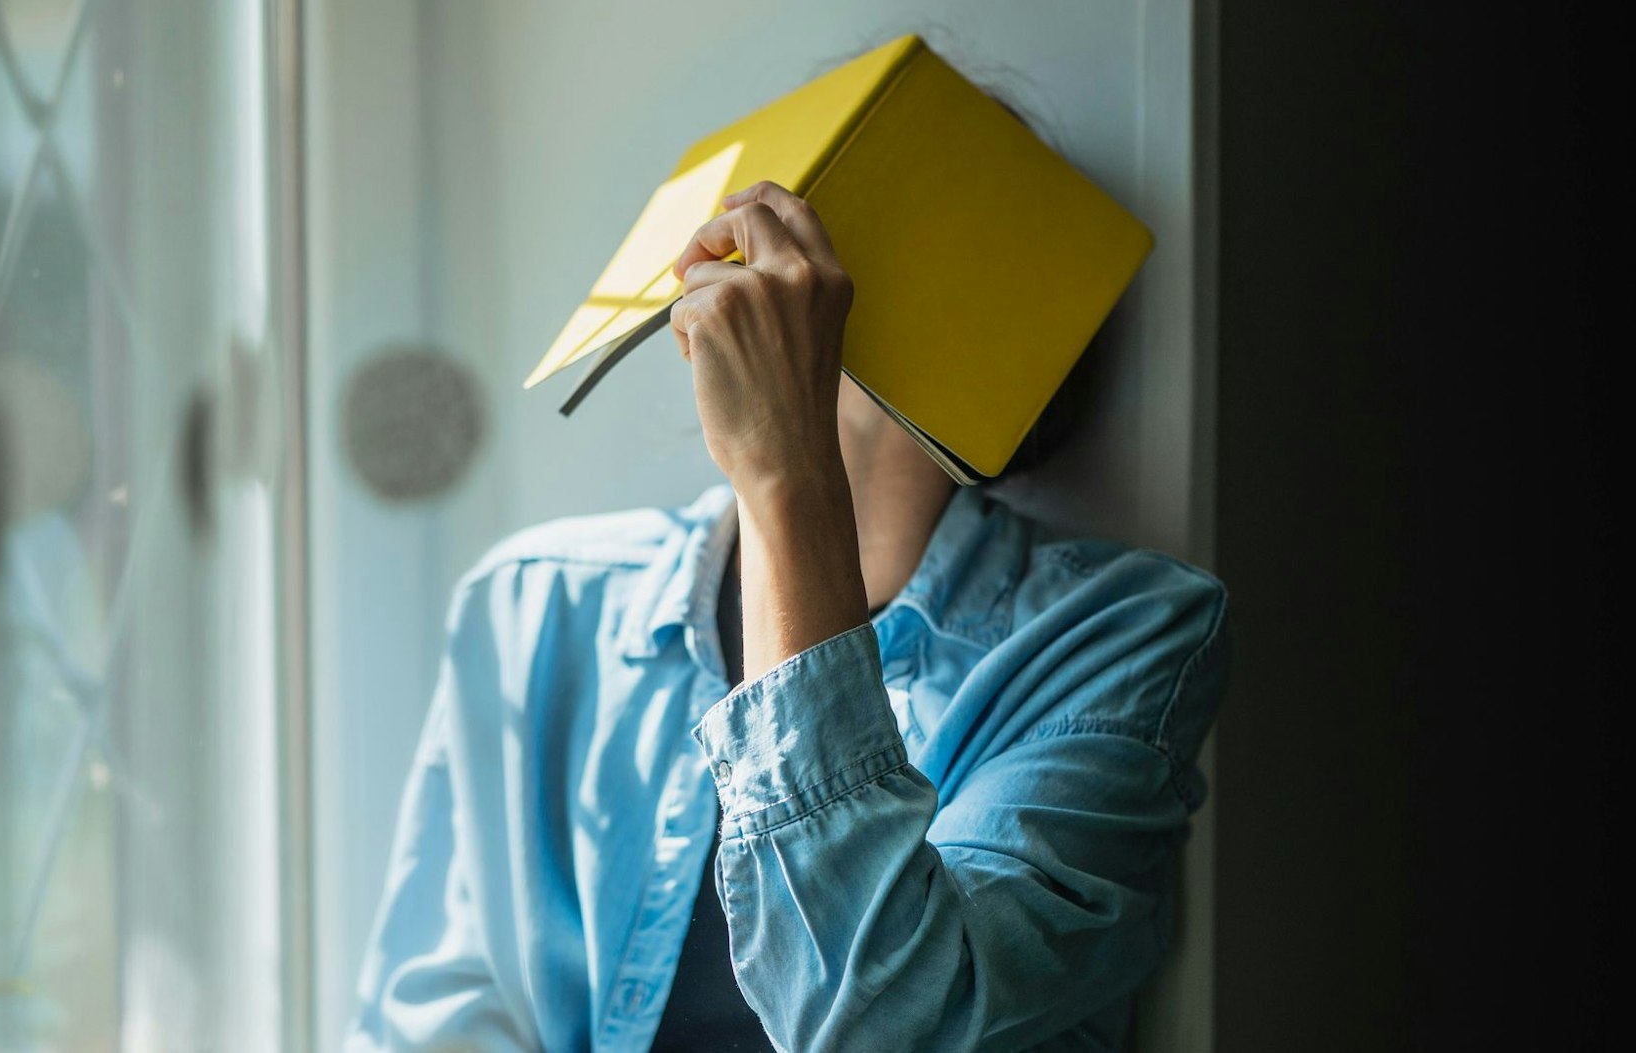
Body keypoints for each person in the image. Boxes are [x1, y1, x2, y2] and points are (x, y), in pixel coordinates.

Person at [349, 177, 1229, 1051]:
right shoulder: (539, 605)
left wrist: (785, 475)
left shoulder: (1114, 633)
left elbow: (882, 1023)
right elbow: (430, 1023)